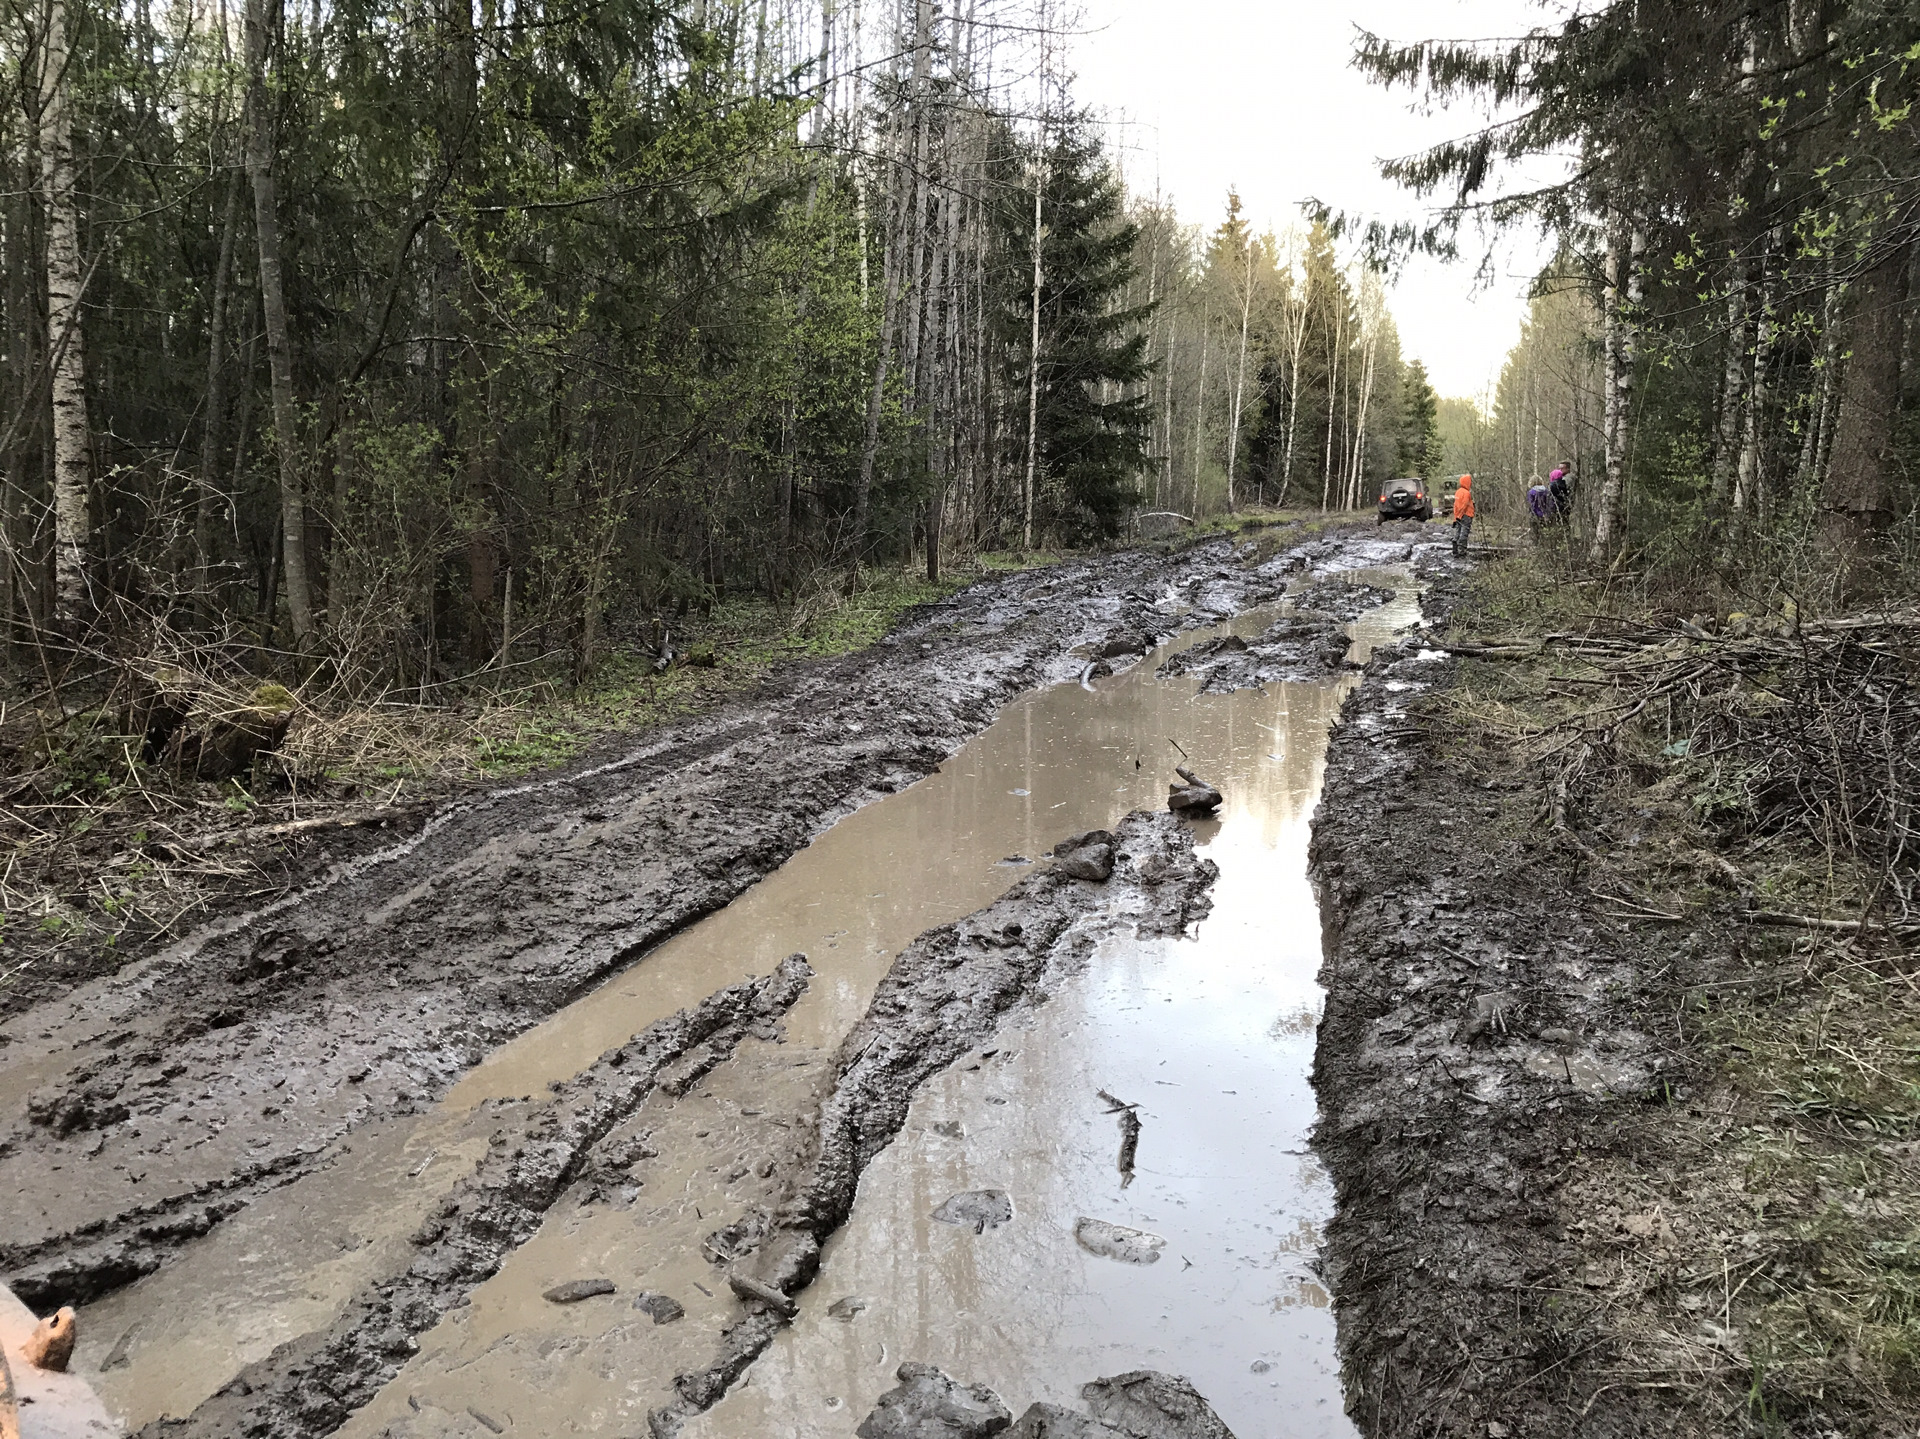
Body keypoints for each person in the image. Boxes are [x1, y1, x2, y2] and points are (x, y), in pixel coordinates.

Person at [1451, 473, 1476, 557]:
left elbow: (1456, 506)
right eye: (1470, 482)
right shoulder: (1466, 493)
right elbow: (1464, 505)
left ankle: (1455, 548)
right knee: (1464, 532)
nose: (1471, 483)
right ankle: (1462, 551)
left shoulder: (1458, 492)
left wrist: (1456, 517)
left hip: (1459, 516)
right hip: (1466, 515)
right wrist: (1460, 515)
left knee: (1458, 531)